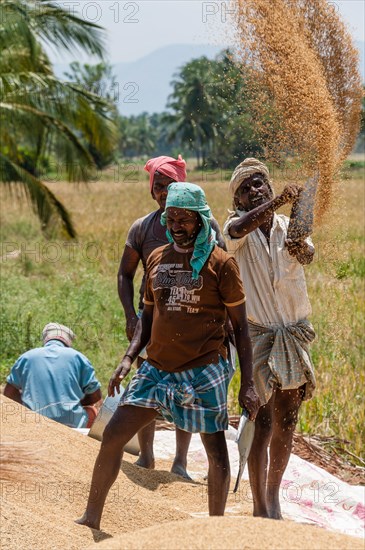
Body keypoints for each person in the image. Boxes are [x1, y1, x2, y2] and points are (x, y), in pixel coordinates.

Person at [77, 182, 260, 529]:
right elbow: (147, 319)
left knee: (216, 451)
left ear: (202, 220)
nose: (176, 226)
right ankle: (91, 518)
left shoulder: (221, 265)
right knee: (114, 436)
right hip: (157, 368)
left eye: (185, 219)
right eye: (171, 218)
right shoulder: (158, 258)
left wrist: (247, 383)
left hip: (203, 369)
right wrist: (128, 359)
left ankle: (213, 532)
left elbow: (240, 330)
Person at [117, 155, 226, 478]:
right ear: (152, 191)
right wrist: (130, 318)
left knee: (188, 388)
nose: (165, 193)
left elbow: (220, 271)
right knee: (146, 384)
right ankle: (146, 455)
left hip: (194, 317)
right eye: (160, 187)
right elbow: (125, 274)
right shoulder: (144, 228)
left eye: (172, 186)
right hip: (152, 317)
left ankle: (180, 461)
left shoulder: (207, 226)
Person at [223, 158, 316, 520]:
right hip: (258, 336)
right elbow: (236, 230)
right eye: (245, 189)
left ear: (269, 185)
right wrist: (278, 202)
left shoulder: (288, 229)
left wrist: (301, 247)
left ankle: (273, 495)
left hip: (291, 333)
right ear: (239, 200)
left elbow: (306, 253)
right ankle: (260, 505)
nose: (254, 190)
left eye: (259, 183)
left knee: (287, 420)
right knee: (261, 422)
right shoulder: (237, 231)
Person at [4, 323, 102, 429]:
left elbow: (9, 393)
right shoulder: (79, 358)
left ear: (45, 339)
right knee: (92, 411)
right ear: (68, 341)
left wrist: (26, 408)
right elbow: (96, 395)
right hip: (71, 423)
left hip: (32, 421)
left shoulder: (27, 357)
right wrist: (73, 404)